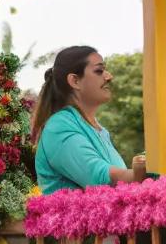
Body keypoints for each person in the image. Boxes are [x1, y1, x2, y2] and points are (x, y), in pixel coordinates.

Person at [33, 47, 147, 193]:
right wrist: (138, 174)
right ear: (75, 81)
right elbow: (97, 178)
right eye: (99, 71)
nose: (109, 76)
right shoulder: (59, 126)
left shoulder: (99, 130)